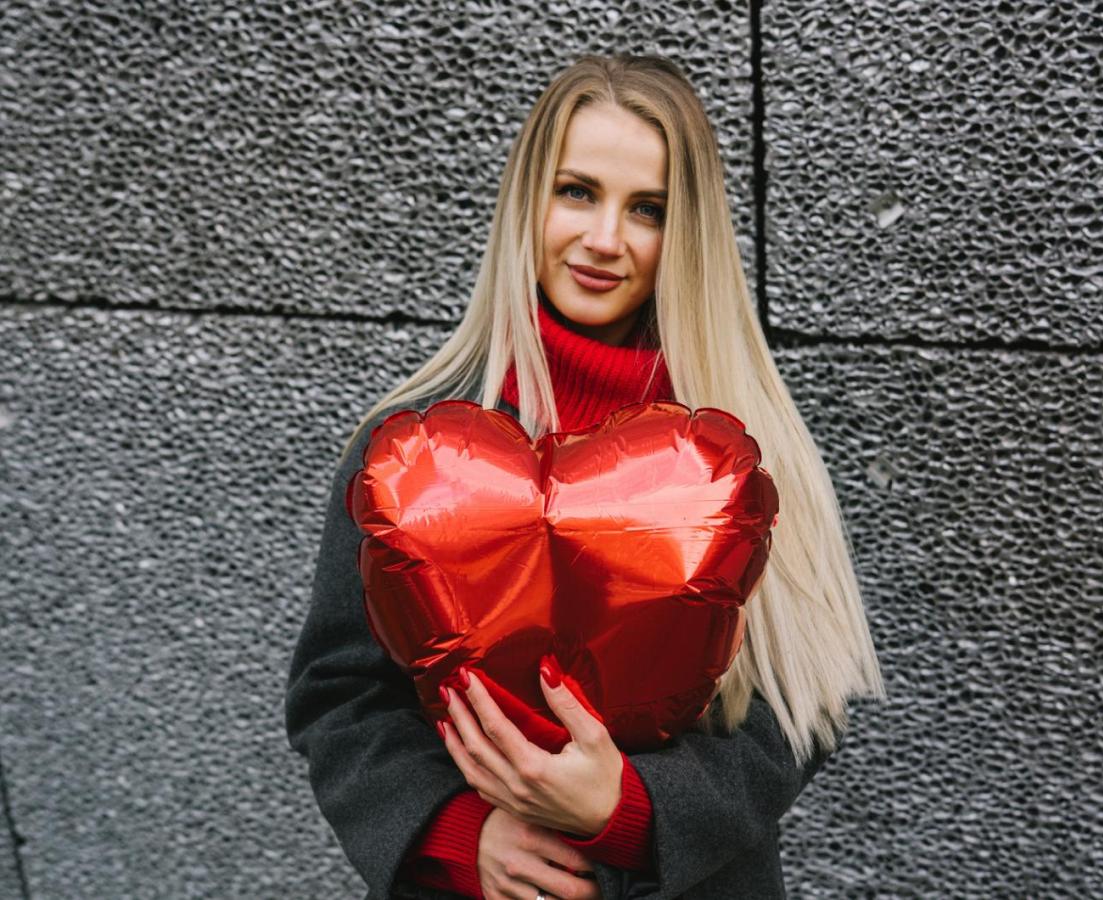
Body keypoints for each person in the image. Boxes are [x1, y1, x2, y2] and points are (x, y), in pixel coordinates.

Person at [285, 53, 887, 900]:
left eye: (647, 209)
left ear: (688, 232)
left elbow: (800, 706)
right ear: (527, 200)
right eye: (577, 191)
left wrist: (634, 809)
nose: (605, 239)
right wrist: (459, 833)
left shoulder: (742, 446)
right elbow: (339, 698)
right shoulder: (408, 450)